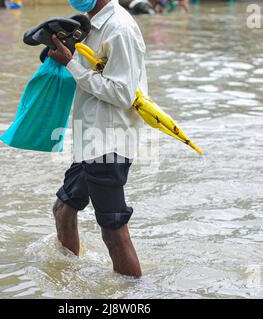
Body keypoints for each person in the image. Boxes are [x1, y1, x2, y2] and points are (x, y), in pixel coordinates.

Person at [48, 0, 147, 278]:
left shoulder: (119, 28)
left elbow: (122, 94)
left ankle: (133, 296)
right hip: (90, 139)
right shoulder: (85, 24)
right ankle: (67, 280)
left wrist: (71, 65)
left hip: (109, 142)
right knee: (63, 209)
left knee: (113, 231)